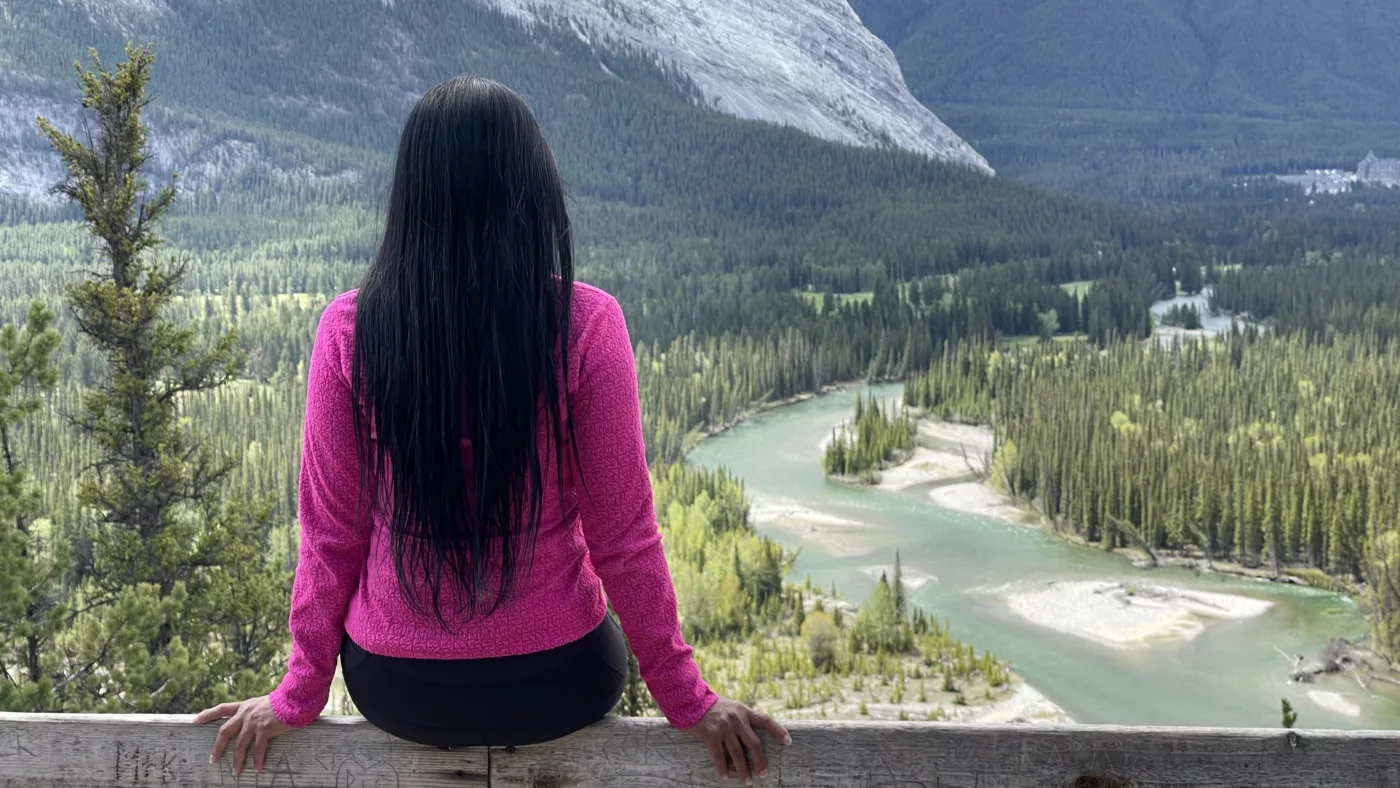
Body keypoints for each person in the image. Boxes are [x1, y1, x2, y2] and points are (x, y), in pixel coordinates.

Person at [194, 76, 788, 781]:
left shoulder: (350, 330)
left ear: (412, 196)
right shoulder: (586, 326)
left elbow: (331, 535)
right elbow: (623, 538)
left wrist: (299, 692)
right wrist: (689, 699)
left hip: (395, 686)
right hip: (557, 683)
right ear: (531, 189)